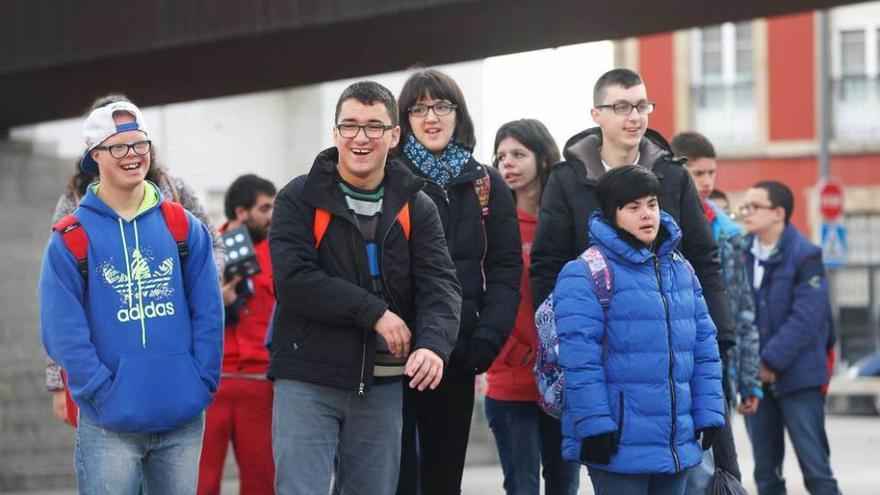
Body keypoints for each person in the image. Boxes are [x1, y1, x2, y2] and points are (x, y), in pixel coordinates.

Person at [267, 81, 462, 495]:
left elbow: (440, 284)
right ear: (335, 132)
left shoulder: (417, 204)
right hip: (309, 377)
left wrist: (433, 344)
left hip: (383, 385)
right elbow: (294, 281)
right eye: (350, 125)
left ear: (394, 136)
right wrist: (373, 312)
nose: (361, 137)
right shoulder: (298, 198)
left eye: (374, 126)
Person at [39, 99, 224, 493]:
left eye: (140, 144)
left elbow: (208, 310)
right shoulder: (71, 238)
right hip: (109, 424)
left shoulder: (183, 226)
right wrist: (99, 391)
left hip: (182, 416)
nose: (133, 155)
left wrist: (202, 377)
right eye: (118, 146)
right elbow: (62, 329)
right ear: (95, 155)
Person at [529, 67, 735, 359]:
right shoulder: (566, 179)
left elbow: (704, 259)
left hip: (673, 345)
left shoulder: (674, 177)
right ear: (596, 114)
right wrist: (563, 341)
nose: (635, 117)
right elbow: (548, 266)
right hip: (595, 344)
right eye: (621, 107)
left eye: (641, 106)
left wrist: (721, 337)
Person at [554, 165, 725, 495]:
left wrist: (710, 413)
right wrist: (594, 425)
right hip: (618, 442)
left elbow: (705, 348)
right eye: (633, 207)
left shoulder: (681, 269)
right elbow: (579, 359)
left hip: (677, 442)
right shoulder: (585, 272)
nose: (646, 215)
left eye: (652, 204)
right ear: (611, 214)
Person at [393, 68, 522, 495]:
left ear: (458, 113)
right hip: (392, 351)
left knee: (443, 477)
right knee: (393, 477)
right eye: (420, 108)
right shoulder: (387, 178)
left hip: (458, 351)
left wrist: (488, 337)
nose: (432, 117)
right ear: (405, 118)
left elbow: (505, 268)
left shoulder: (485, 182)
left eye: (442, 106)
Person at [485, 119, 580, 495]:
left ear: (543, 158)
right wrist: (511, 351)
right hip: (511, 383)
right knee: (522, 488)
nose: (506, 163)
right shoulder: (488, 226)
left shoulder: (567, 225)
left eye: (518, 154)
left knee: (564, 487)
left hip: (567, 384)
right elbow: (474, 297)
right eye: (501, 155)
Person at [671, 131, 761, 491]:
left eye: (712, 173)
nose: (707, 182)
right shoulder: (657, 222)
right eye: (698, 173)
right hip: (676, 358)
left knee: (720, 469)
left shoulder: (728, 234)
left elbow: (742, 308)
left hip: (718, 362)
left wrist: (749, 377)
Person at [739, 181, 841, 495]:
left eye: (754, 206)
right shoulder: (740, 253)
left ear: (778, 213)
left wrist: (769, 361)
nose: (746, 213)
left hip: (799, 378)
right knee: (766, 474)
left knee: (816, 471)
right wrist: (749, 368)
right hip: (754, 381)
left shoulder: (805, 255)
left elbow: (807, 318)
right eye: (745, 206)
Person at [198, 174, 277, 495]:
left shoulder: (281, 252)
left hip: (261, 383)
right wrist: (217, 301)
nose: (272, 215)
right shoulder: (204, 250)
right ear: (241, 212)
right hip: (213, 384)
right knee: (200, 481)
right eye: (265, 208)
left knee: (262, 481)